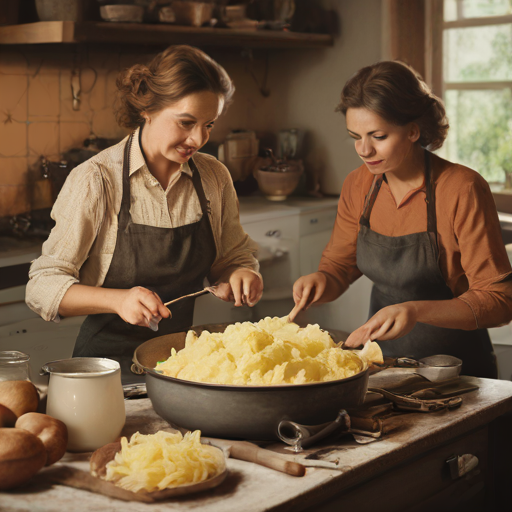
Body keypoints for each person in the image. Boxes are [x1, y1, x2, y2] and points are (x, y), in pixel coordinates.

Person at [26, 45, 263, 383]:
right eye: (186, 122)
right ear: (148, 109)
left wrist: (242, 273)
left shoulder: (214, 177)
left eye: (208, 124)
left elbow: (232, 256)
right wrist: (119, 301)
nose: (198, 138)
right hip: (105, 373)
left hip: (184, 367)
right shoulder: (97, 179)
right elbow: (42, 287)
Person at [291, 60, 512, 378]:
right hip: (382, 367)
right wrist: (319, 282)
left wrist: (415, 310)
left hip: (457, 373)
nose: (364, 150)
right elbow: (338, 268)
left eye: (378, 136)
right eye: (355, 136)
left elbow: (499, 300)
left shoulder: (461, 188)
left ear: (413, 131)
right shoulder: (359, 185)